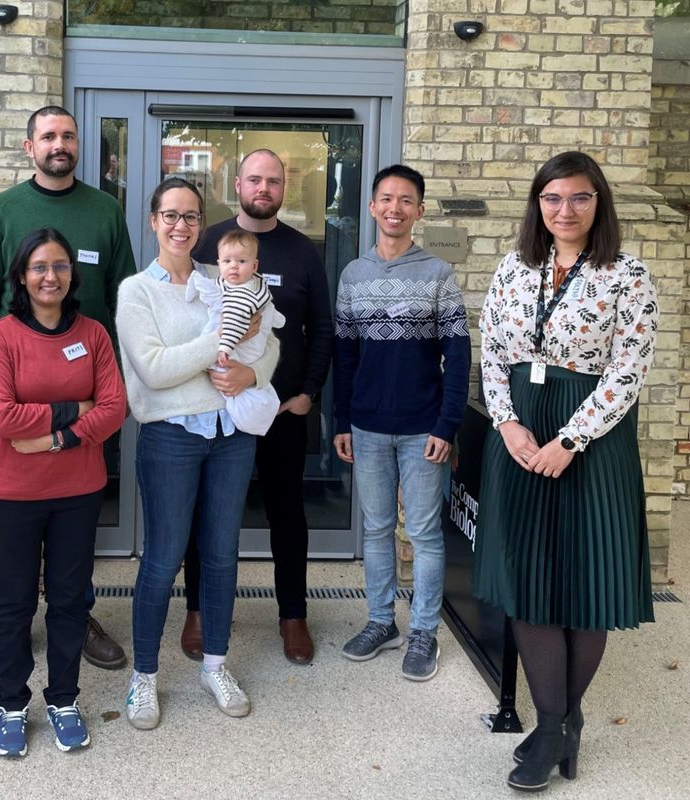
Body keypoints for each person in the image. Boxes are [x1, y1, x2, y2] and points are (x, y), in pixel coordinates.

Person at [474, 151, 657, 792]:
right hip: (521, 435)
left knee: (586, 581)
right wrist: (507, 424)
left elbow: (628, 371)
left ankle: (554, 727)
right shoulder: (514, 267)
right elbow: (491, 353)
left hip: (592, 441)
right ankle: (560, 724)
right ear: (538, 205)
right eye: (552, 198)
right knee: (527, 578)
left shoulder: (627, 275)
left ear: (598, 202)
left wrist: (571, 440)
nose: (565, 210)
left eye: (579, 197)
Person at [0, 105, 136, 677]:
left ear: (79, 144)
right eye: (48, 136)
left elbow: (125, 298)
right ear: (29, 146)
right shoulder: (4, 210)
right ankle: (9, 629)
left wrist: (114, 392)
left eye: (68, 135)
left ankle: (76, 616)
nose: (58, 144)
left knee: (75, 516)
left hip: (92, 376)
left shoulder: (105, 210)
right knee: (18, 524)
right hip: (18, 382)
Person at [116, 177, 280, 729]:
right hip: (171, 436)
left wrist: (250, 373)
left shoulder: (224, 276)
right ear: (153, 221)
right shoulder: (136, 291)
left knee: (221, 555)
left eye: (191, 216)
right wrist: (223, 340)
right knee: (163, 559)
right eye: (170, 215)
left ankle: (215, 665)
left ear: (201, 225)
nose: (180, 225)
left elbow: (270, 343)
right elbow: (154, 370)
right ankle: (143, 677)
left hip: (230, 435)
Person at [0, 227, 126, 758]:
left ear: (72, 274)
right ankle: (11, 704)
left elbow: (114, 408)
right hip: (11, 494)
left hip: (77, 492)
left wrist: (54, 438)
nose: (50, 276)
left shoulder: (93, 334)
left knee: (68, 600)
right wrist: (74, 409)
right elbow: (3, 416)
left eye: (60, 266)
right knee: (14, 602)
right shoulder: (1, 337)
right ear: (22, 276)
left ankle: (64, 699)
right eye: (39, 267)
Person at [185, 149, 333, 665]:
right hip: (214, 408)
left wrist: (308, 392)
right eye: (254, 179)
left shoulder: (302, 251)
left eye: (273, 180)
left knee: (286, 512)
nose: (263, 188)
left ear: (284, 187)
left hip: (281, 409)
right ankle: (198, 611)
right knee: (206, 513)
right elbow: (186, 320)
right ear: (238, 185)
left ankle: (293, 614)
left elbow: (322, 328)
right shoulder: (208, 243)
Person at [333, 163, 470, 682]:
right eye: (387, 199)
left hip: (423, 430)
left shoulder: (437, 274)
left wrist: (447, 425)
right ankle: (380, 622)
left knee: (425, 533)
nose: (395, 208)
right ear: (372, 207)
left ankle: (423, 633)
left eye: (406, 200)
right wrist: (341, 421)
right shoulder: (354, 274)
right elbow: (345, 357)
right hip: (366, 427)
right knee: (375, 530)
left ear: (419, 210)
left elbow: (458, 354)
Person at [185, 228, 284, 435]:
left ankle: (252, 415)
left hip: (238, 352)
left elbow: (232, 324)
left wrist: (224, 348)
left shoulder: (241, 293)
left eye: (241, 261)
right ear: (219, 263)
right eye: (227, 261)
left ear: (254, 265)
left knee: (226, 367)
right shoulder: (250, 284)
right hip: (189, 419)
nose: (234, 266)